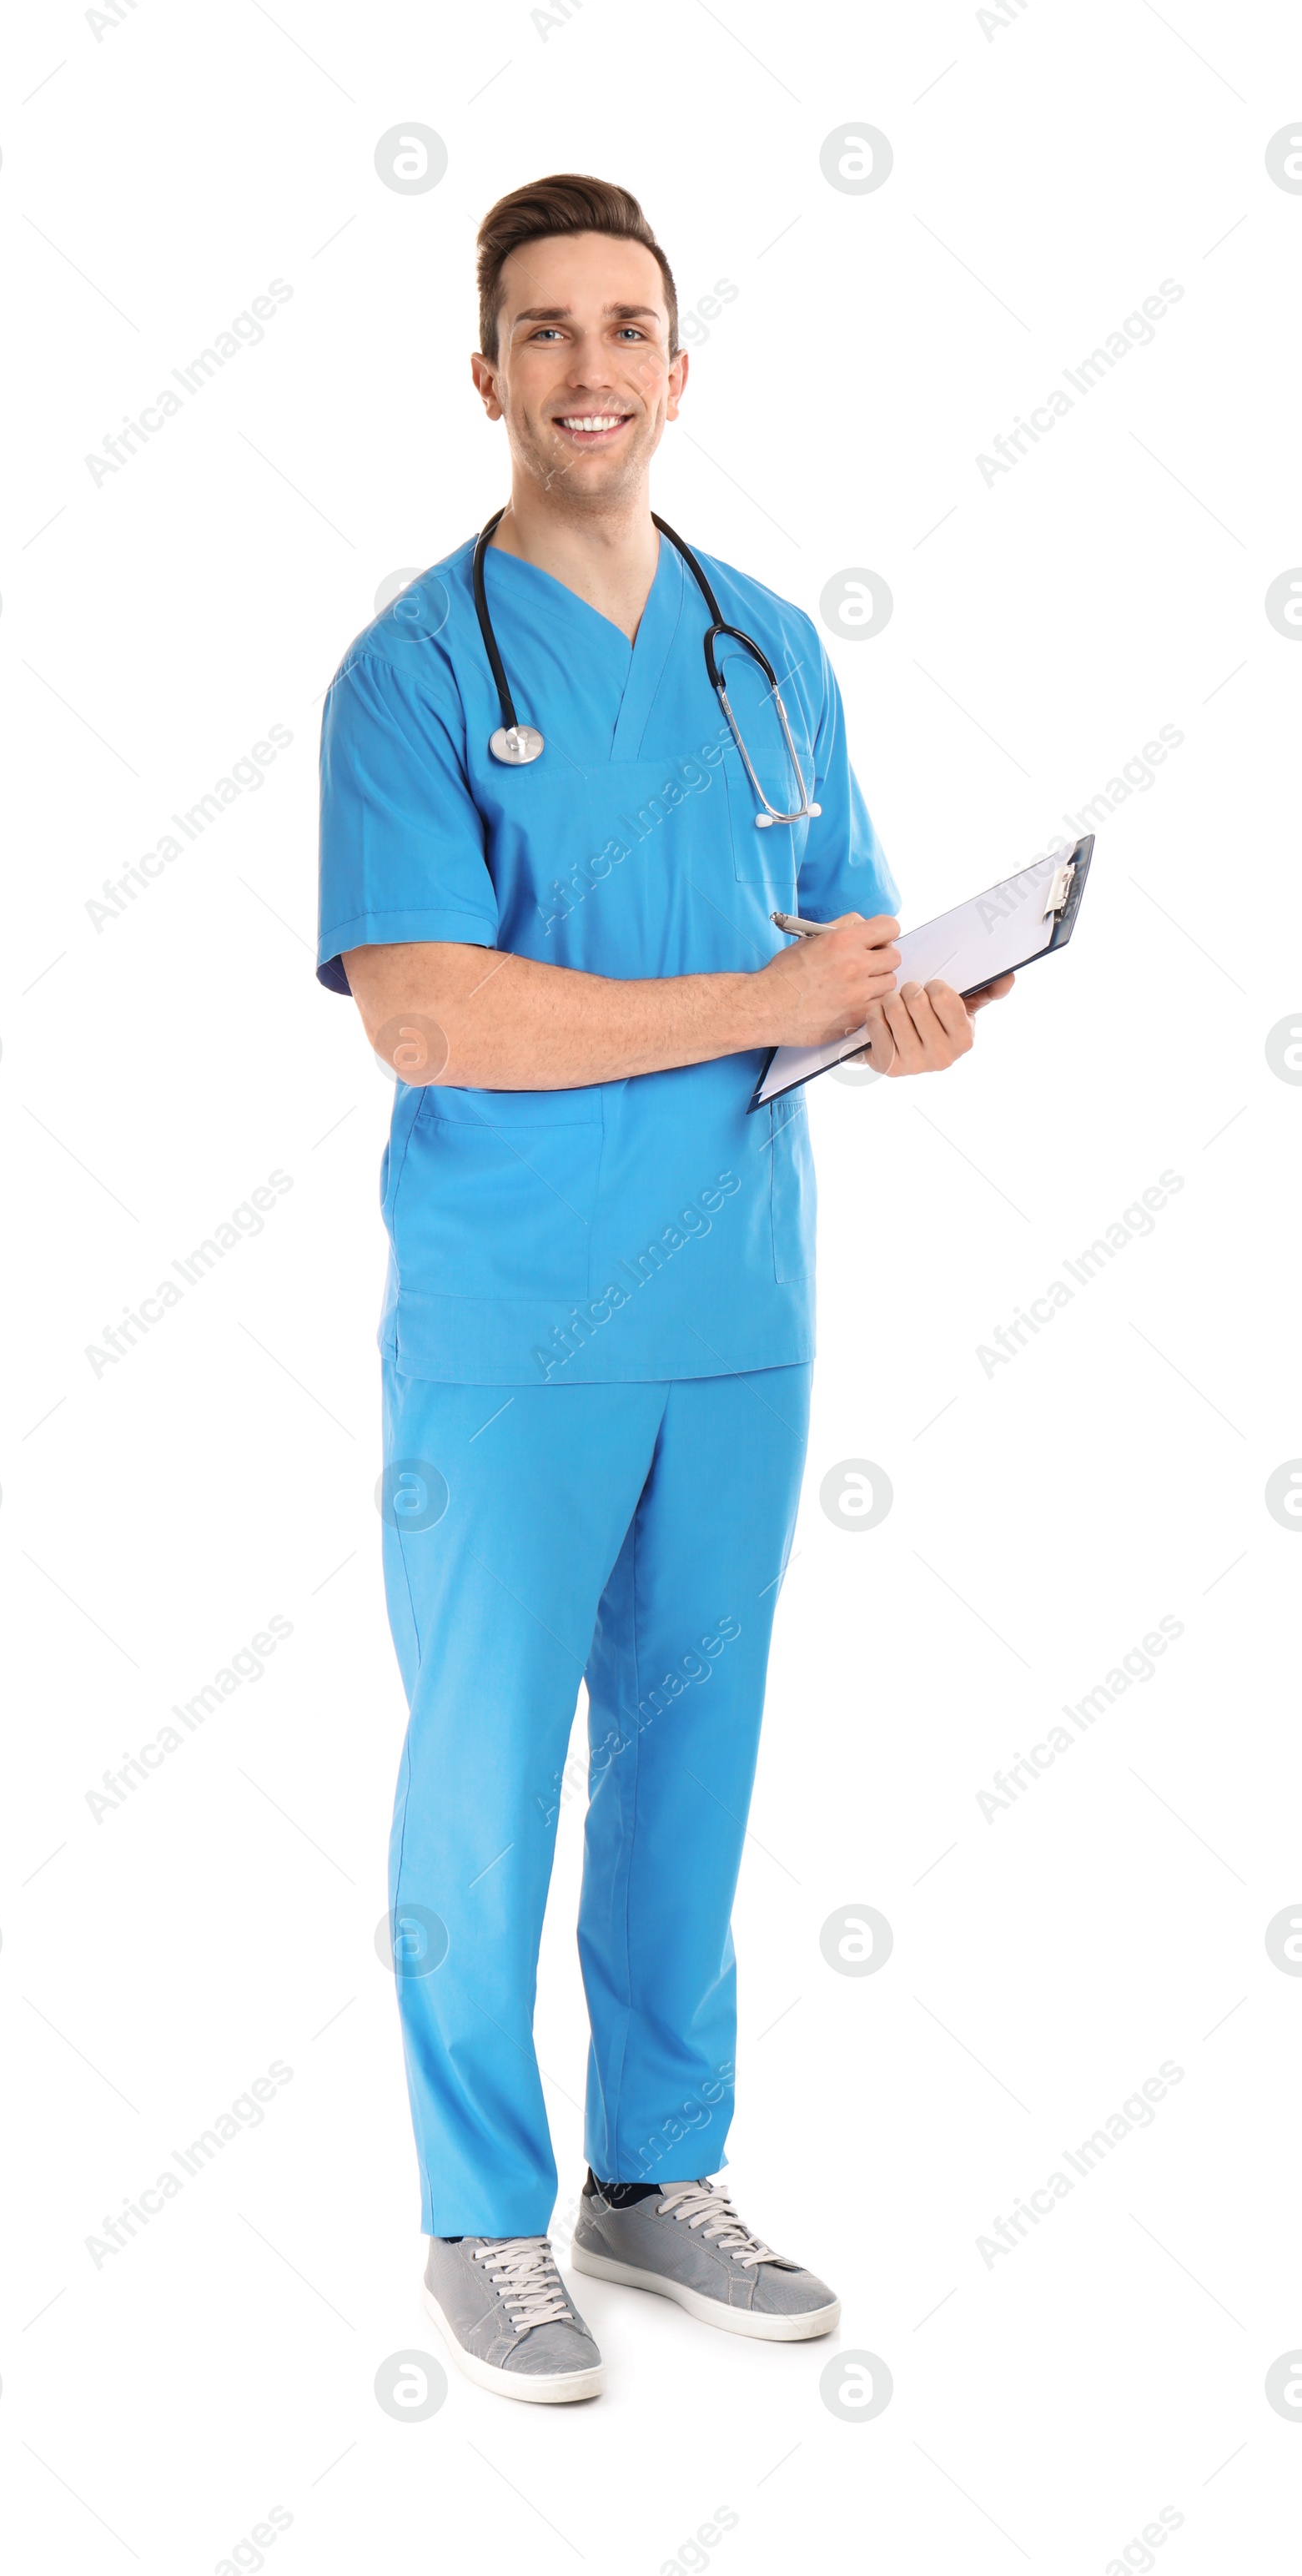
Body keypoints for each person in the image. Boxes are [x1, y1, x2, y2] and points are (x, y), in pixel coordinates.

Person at [316, 172, 1012, 2404]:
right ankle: (478, 2218)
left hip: (737, 1303)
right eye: (548, 330)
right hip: (515, 1320)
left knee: (691, 1765)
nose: (593, 365)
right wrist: (751, 998)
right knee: (488, 1769)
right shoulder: (418, 669)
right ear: (488, 374)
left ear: (681, 369)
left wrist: (905, 1012)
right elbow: (423, 1009)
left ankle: (656, 2178)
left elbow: (845, 951)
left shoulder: (766, 644)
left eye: (629, 325)